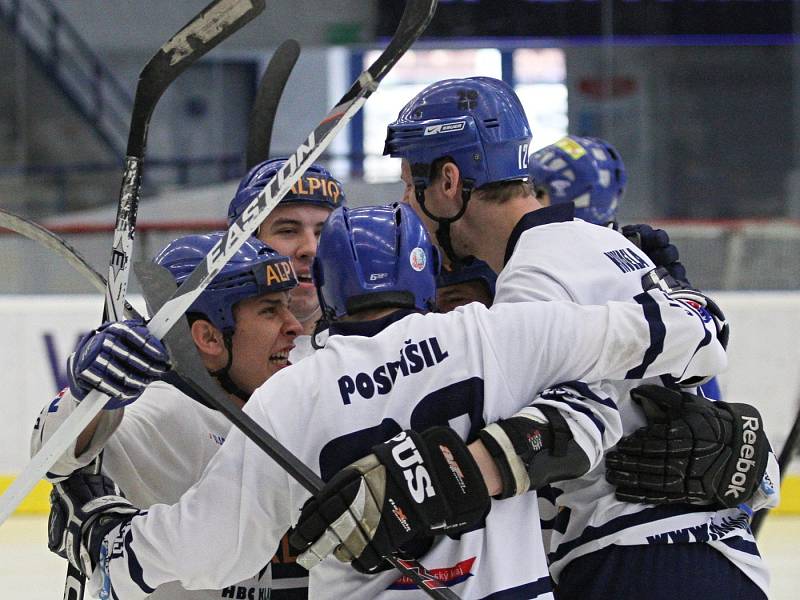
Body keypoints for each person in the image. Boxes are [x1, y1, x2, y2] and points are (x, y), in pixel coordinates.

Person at [46, 202, 726, 600]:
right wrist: (665, 288)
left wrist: (106, 540)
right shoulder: (501, 336)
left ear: (328, 292)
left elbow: (199, 551)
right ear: (427, 280)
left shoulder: (293, 396)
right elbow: (693, 331)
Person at [383, 76, 775, 599]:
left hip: (634, 564)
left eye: (412, 185)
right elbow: (701, 350)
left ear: (449, 181)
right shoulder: (605, 243)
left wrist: (411, 490)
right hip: (721, 555)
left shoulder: (533, 275)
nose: (407, 204)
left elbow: (558, 430)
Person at [33, 233, 307, 600]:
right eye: (270, 310)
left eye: (287, 307)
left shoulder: (293, 404)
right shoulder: (165, 412)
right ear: (208, 337)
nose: (295, 327)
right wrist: (87, 399)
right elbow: (55, 454)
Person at [528, 134, 723, 398]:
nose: (525, 203)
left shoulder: (620, 272)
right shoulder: (536, 258)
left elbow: (704, 382)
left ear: (577, 201)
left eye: (537, 192)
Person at [228, 158, 345, 358]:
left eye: (323, 232)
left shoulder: (370, 345)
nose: (311, 249)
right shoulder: (212, 348)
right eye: (288, 231)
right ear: (244, 242)